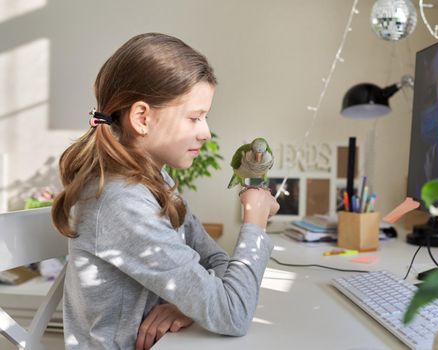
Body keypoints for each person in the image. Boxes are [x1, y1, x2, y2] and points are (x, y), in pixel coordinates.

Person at [51, 33, 279, 350]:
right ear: (142, 118)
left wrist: (187, 303)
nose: (206, 132)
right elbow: (233, 313)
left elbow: (216, 263)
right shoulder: (122, 203)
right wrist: (255, 221)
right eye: (194, 117)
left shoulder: (155, 183)